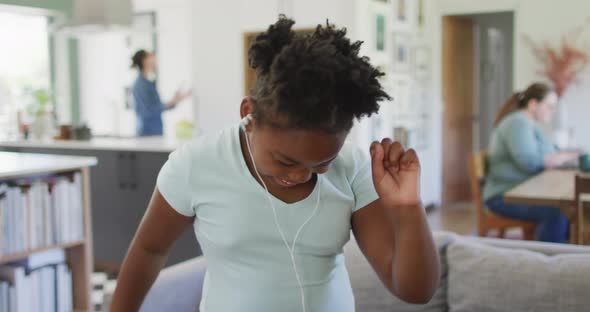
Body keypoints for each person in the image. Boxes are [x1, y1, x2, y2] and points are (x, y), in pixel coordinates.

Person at [110, 16, 439, 312]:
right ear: (248, 114)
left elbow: (414, 291)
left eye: (322, 163)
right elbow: (149, 249)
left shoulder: (352, 168)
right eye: (286, 160)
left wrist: (408, 207)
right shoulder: (196, 164)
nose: (300, 175)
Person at [483, 82, 580, 242]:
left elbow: (550, 152)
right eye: (549, 106)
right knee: (558, 211)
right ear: (533, 104)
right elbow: (529, 161)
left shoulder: (529, 124)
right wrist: (563, 157)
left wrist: (563, 155)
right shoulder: (517, 123)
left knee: (569, 209)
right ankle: (546, 259)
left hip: (520, 192)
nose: (552, 111)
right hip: (503, 197)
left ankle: (565, 253)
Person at [131, 50, 192, 136]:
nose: (154, 58)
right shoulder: (141, 84)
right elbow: (150, 110)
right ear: (144, 61)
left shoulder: (147, 83)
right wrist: (173, 101)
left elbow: (158, 106)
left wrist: (178, 98)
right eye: (150, 56)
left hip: (154, 130)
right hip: (148, 132)